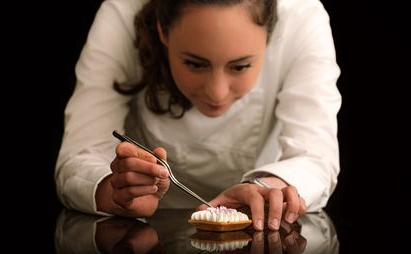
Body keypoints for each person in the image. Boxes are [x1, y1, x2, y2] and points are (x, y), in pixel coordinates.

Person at [55, 0, 341, 232]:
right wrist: (116, 192)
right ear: (163, 32)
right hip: (146, 234)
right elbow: (78, 156)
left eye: (240, 67)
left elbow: (316, 156)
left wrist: (266, 190)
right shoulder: (120, 14)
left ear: (269, 36)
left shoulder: (303, 18)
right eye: (194, 64)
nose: (217, 94)